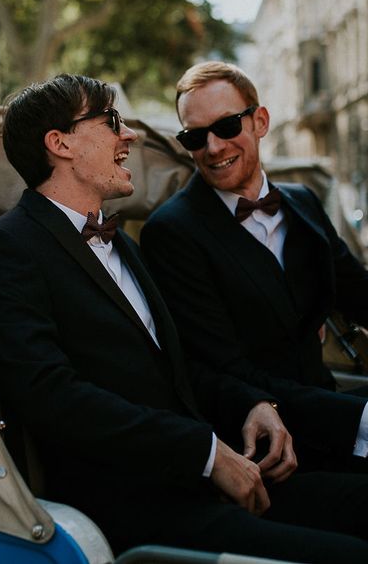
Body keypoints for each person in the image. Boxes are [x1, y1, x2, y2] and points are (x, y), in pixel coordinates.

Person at [0, 73, 368, 563]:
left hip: (208, 476)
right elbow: (52, 397)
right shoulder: (3, 249)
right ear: (60, 143)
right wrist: (206, 453)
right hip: (133, 504)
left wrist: (254, 404)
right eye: (111, 121)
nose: (128, 135)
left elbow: (178, 368)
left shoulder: (124, 246)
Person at [140, 61, 368, 471]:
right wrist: (358, 419)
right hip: (259, 447)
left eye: (226, 127)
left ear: (259, 121)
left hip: (331, 414)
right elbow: (224, 369)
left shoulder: (303, 202)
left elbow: (358, 292)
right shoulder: (171, 233)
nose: (212, 148)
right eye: (195, 136)